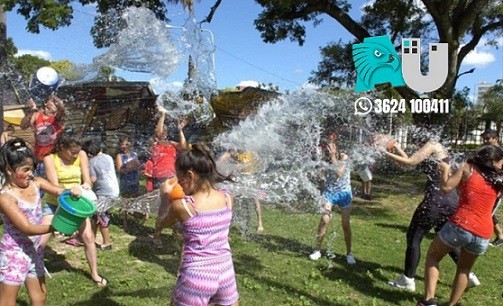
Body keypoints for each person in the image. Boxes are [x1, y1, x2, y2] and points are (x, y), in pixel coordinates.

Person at [383, 132, 480, 292]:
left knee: (413, 237)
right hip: (450, 201)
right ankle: (469, 276)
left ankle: (407, 279)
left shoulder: (432, 144)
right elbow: (412, 161)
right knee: (446, 239)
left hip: (434, 202)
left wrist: (384, 153)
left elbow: (409, 162)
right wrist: (398, 149)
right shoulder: (442, 150)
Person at [154, 143, 239, 305]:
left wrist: (165, 196)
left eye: (181, 180)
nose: (180, 185)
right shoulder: (228, 198)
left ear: (191, 176)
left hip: (197, 277)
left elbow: (160, 223)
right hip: (226, 272)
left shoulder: (184, 206)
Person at [418, 145, 503, 306]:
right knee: (464, 269)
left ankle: (429, 300)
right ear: (493, 161)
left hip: (461, 225)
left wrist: (444, 170)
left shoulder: (467, 168)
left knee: (433, 256)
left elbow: (445, 187)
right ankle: (452, 304)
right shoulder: (498, 179)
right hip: (484, 233)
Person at [0, 138, 81, 306]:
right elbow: (27, 228)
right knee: (7, 302)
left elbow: (60, 192)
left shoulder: (36, 183)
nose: (31, 173)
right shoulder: (6, 197)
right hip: (14, 253)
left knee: (40, 297)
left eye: (32, 168)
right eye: (26, 169)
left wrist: (71, 191)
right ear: (9, 170)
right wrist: (56, 227)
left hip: (34, 249)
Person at [39, 133, 107, 287]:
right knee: (41, 241)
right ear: (62, 147)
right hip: (55, 204)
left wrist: (87, 185)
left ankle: (95, 274)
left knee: (89, 237)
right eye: (72, 152)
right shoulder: (50, 159)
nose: (75, 155)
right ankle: (29, 271)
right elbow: (54, 187)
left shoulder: (81, 155)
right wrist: (69, 190)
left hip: (76, 205)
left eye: (77, 151)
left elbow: (87, 178)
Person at [309, 131, 356, 265]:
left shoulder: (344, 156)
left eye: (332, 143)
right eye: (328, 143)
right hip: (329, 192)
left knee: (345, 225)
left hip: (344, 194)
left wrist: (333, 156)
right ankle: (317, 250)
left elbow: (339, 172)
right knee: (324, 220)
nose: (329, 146)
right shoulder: (324, 157)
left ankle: (349, 253)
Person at [83, 140, 119, 251]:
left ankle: (107, 243)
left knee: (102, 217)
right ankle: (91, 239)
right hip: (114, 190)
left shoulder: (92, 162)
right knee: (95, 215)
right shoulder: (108, 157)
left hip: (103, 192)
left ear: (89, 153)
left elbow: (93, 179)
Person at [218, 149, 264, 232]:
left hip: (250, 177)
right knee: (232, 200)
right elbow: (222, 159)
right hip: (239, 178)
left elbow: (257, 162)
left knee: (255, 200)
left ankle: (260, 223)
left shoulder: (250, 151)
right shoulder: (236, 152)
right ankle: (229, 224)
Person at [20, 96, 67, 162]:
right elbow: (23, 126)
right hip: (38, 156)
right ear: (45, 103)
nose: (55, 103)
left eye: (56, 102)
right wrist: (32, 110)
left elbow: (63, 115)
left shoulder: (58, 118)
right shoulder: (37, 115)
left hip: (54, 157)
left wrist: (59, 106)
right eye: (53, 101)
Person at [151, 110, 187, 189]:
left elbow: (183, 147)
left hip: (172, 175)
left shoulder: (171, 143)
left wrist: (180, 130)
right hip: (159, 176)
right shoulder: (153, 143)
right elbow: (159, 135)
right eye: (162, 130)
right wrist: (162, 115)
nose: (163, 133)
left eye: (165, 131)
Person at [480, 129, 503, 246]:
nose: (486, 141)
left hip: (497, 189)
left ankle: (494, 236)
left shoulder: (500, 153)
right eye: (484, 138)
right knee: (487, 212)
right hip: (486, 187)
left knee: (488, 213)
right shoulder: (486, 151)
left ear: (496, 139)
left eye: (488, 138)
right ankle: (500, 235)